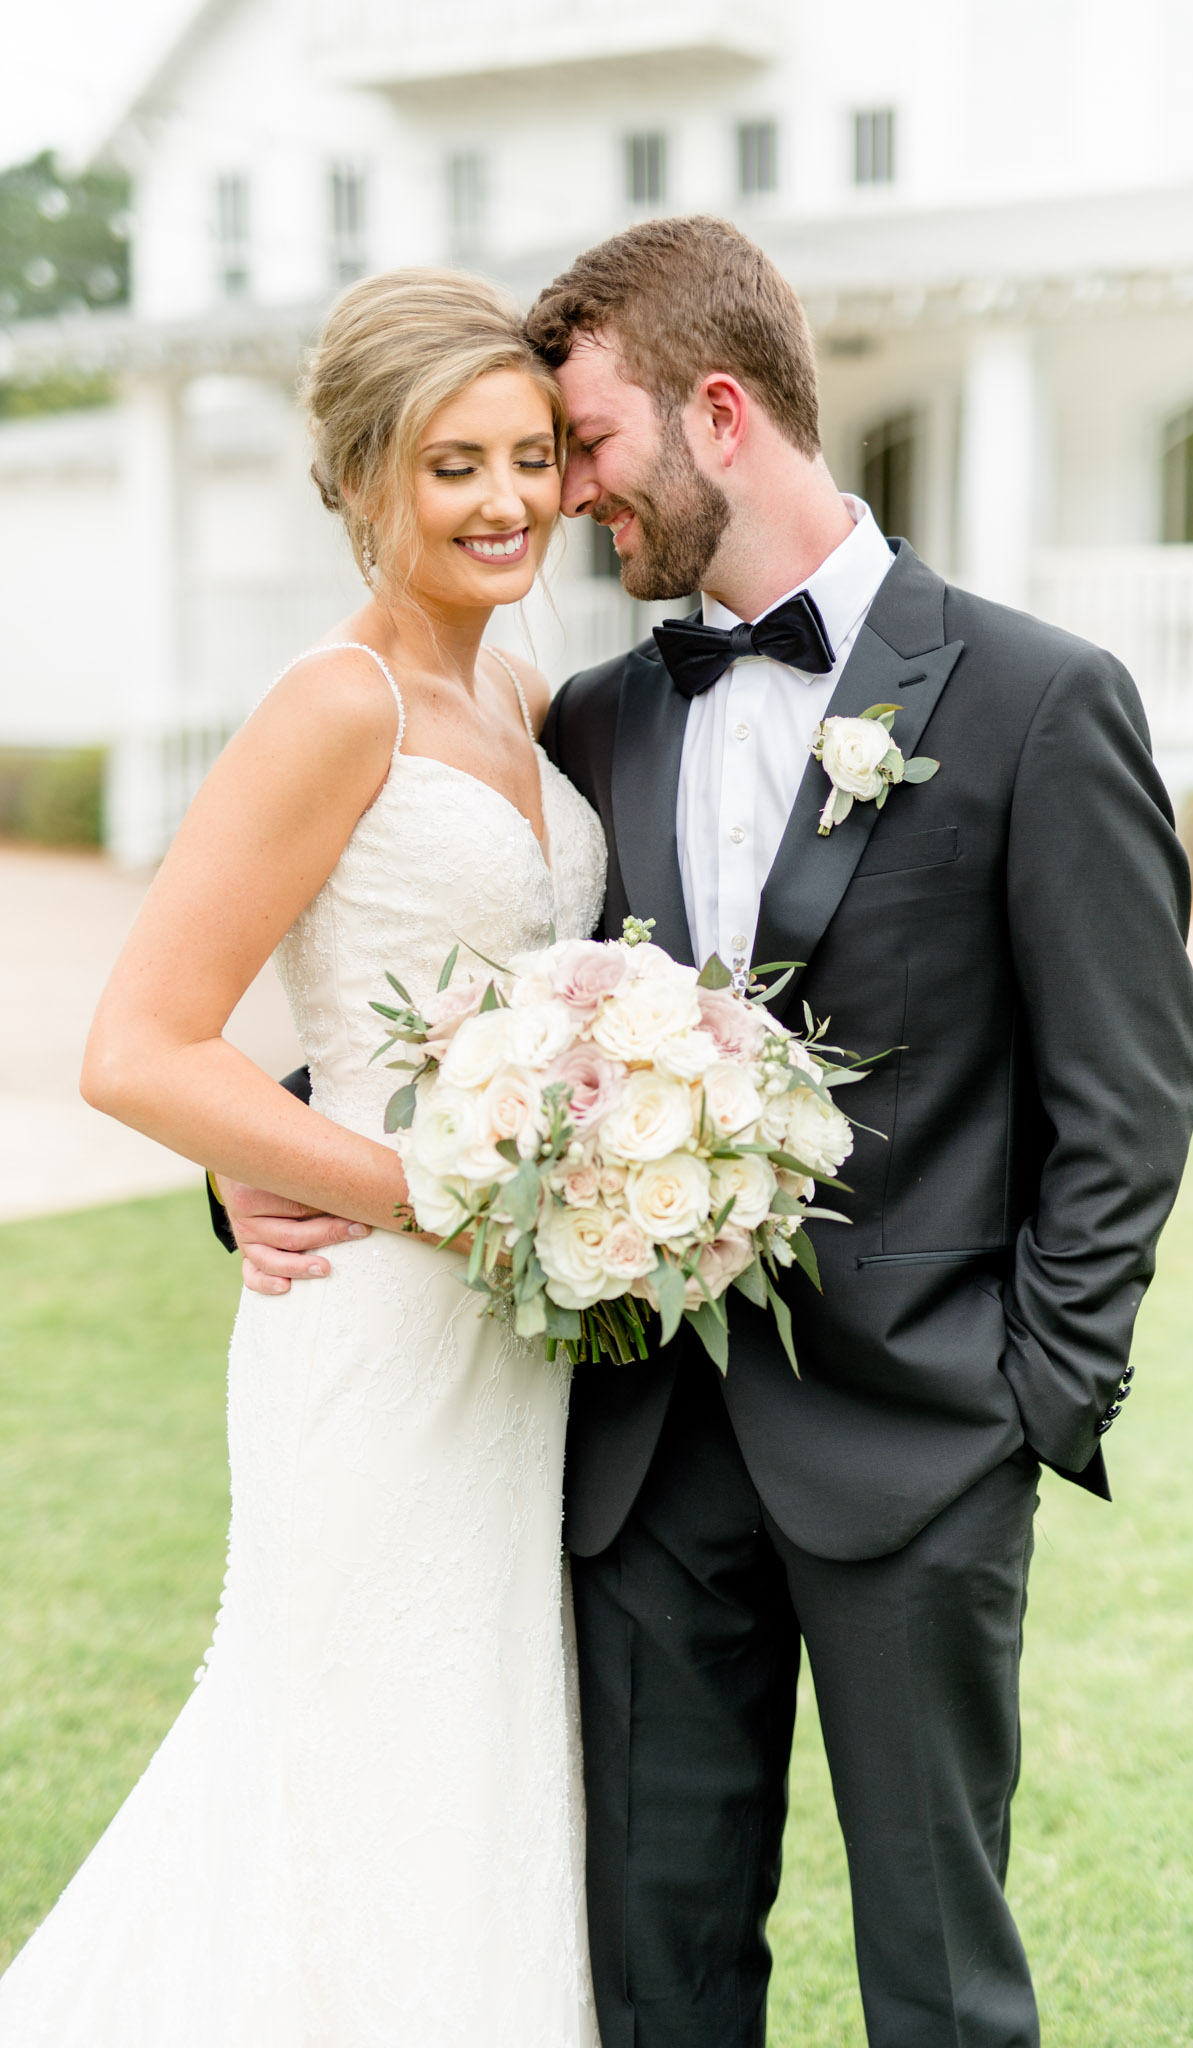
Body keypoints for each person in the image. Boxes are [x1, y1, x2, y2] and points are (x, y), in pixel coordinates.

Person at [219, 218, 1193, 2048]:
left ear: (721, 414)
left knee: (941, 1979)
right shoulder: (595, 719)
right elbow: (476, 1002)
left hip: (920, 1451)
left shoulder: (1041, 700)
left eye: (581, 445)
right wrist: (252, 1151)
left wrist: (1026, 1401)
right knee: (653, 1970)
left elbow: (1126, 1098)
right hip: (640, 1457)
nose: (562, 495)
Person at [0, 271, 605, 2047]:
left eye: (534, 458)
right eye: (453, 467)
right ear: (363, 483)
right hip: (378, 1321)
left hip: (516, 1343)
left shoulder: (520, 686)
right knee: (346, 1764)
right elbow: (136, 1047)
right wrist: (441, 1197)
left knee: (476, 1768)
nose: (508, 501)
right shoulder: (335, 706)